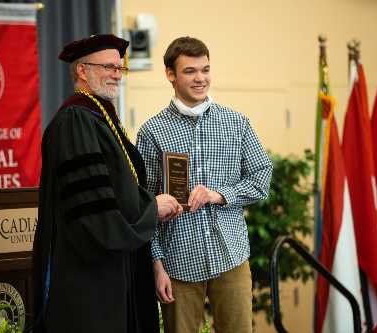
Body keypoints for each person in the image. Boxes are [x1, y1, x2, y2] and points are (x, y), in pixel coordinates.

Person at [32, 34, 182, 333]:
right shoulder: (76, 120)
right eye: (108, 67)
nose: (117, 74)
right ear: (82, 71)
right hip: (89, 275)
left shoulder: (102, 118)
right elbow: (91, 204)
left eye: (119, 68)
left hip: (113, 267)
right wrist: (151, 208)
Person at [136, 36, 273, 333]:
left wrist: (220, 194)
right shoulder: (151, 132)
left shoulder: (237, 123)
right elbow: (143, 205)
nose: (201, 78)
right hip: (178, 262)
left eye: (205, 69)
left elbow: (262, 177)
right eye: (190, 71)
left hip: (231, 256)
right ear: (170, 75)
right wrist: (156, 265)